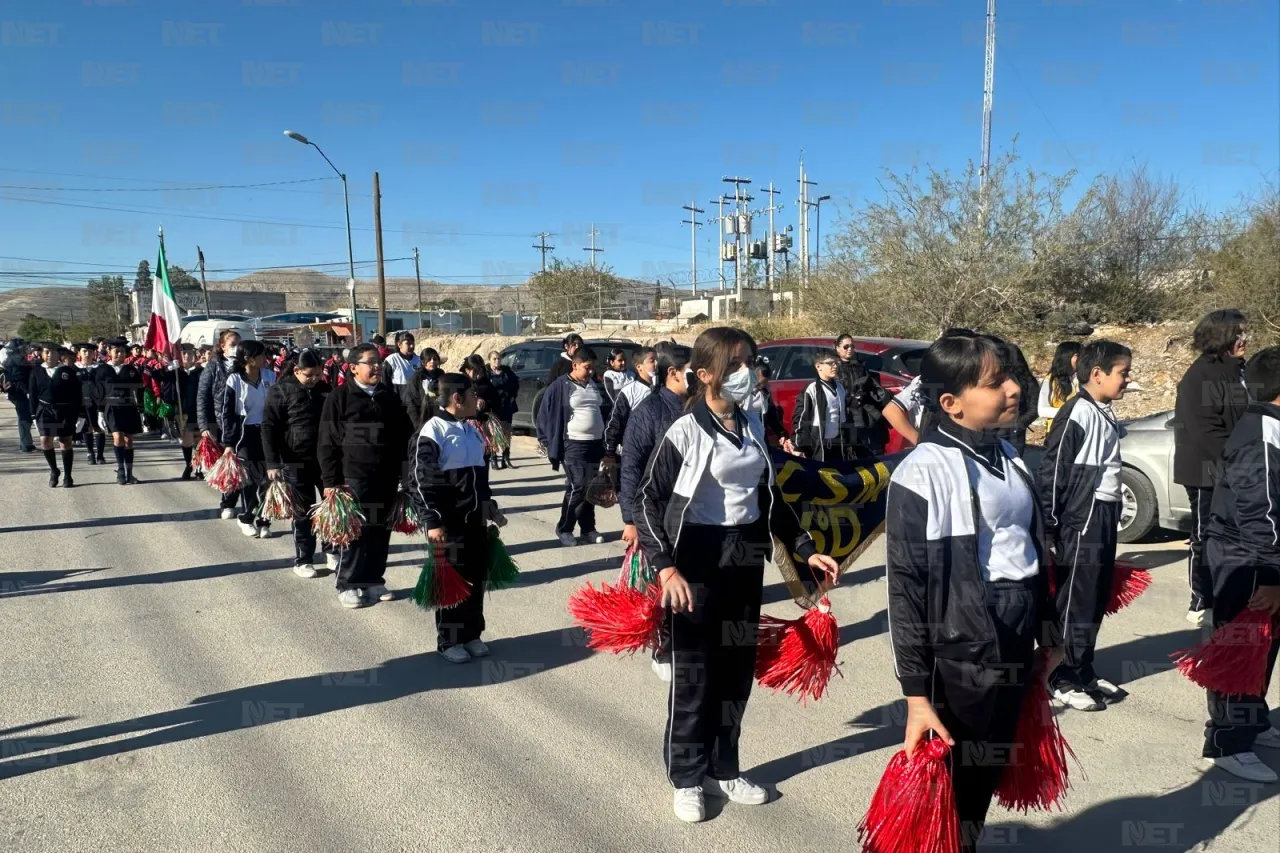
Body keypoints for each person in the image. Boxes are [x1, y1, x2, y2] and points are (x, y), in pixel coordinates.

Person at [636, 326, 838, 823]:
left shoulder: (750, 425)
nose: (751, 372)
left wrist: (805, 549)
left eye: (751, 361)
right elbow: (647, 501)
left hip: (745, 559)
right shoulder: (683, 432)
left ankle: (724, 767)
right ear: (705, 375)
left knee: (735, 673)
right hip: (698, 560)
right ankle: (686, 775)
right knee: (696, 677)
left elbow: (770, 499)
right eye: (738, 363)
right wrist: (666, 569)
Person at [886, 333, 1062, 852]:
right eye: (995, 382)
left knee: (988, 764)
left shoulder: (1008, 453)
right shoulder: (923, 472)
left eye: (1009, 377)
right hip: (963, 645)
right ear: (950, 403)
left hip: (1016, 628)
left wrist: (1048, 632)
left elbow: (1032, 551)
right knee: (959, 773)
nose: (1013, 388)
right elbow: (907, 590)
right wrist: (916, 693)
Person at [1199, 346, 1280, 783]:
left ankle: (1252, 720)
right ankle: (1226, 738)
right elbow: (1258, 510)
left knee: (1262, 648)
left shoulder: (1273, 426)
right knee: (1239, 648)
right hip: (1243, 559)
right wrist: (1270, 576)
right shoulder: (1259, 433)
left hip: (1263, 559)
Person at [1038, 340, 1132, 712]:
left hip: (1105, 514)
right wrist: (1051, 526)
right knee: (1075, 598)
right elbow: (1053, 470)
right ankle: (1060, 675)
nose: (1127, 380)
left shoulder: (1103, 410)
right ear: (1097, 374)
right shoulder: (1076, 413)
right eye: (1122, 373)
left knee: (1094, 597)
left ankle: (1083, 669)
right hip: (1083, 518)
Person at [408, 371, 507, 662]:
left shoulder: (472, 429)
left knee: (476, 578)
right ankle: (449, 640)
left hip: (475, 520)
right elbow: (420, 482)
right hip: (449, 524)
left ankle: (472, 634)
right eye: (473, 394)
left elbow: (480, 477)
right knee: (452, 582)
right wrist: (432, 520)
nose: (478, 399)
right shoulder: (431, 432)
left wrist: (489, 505)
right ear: (456, 397)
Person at [317, 344, 412, 609]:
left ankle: (373, 579)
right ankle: (347, 583)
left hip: (386, 476)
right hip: (353, 477)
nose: (377, 367)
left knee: (381, 531)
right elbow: (327, 442)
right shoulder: (339, 398)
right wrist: (330, 482)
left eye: (379, 362)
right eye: (371, 362)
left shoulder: (389, 397)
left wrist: (405, 474)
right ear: (354, 367)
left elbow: (404, 437)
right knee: (355, 533)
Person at [618, 342, 689, 683]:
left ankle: (686, 640)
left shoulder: (697, 407)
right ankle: (664, 644)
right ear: (673, 373)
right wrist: (630, 519)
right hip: (657, 510)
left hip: (691, 509)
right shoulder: (649, 411)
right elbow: (631, 466)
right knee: (663, 581)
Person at [1174, 309, 1250, 626]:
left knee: (1236, 537)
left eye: (1245, 332)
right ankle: (1201, 600)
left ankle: (1232, 594)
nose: (1245, 338)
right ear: (1221, 337)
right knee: (1206, 536)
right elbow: (1205, 430)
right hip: (1206, 470)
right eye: (1238, 333)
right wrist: (1239, 461)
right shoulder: (1199, 375)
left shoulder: (1241, 372)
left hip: (1238, 468)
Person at [263, 349, 337, 579]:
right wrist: (272, 462)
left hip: (324, 460)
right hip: (294, 460)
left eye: (318, 374)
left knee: (329, 508)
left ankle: (332, 551)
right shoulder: (280, 391)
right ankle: (303, 558)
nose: (315, 379)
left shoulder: (326, 390)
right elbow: (268, 427)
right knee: (303, 512)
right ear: (297, 371)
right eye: (310, 375)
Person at [536, 346, 606, 547]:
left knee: (590, 488)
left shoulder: (593, 384)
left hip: (595, 444)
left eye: (593, 368)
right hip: (572, 444)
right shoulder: (560, 386)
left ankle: (588, 529)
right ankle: (564, 528)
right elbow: (544, 414)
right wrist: (547, 441)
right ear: (575, 365)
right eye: (587, 367)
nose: (591, 371)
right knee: (578, 486)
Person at [218, 340, 277, 540]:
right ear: (248, 358)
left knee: (268, 481)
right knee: (251, 481)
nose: (264, 358)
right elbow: (226, 414)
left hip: (267, 434)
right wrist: (228, 444)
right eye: (260, 355)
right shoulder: (234, 380)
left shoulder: (270, 376)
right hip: (244, 437)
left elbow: (278, 408)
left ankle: (264, 520)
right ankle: (246, 518)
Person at [198, 329, 243, 520]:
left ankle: (249, 504)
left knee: (246, 462)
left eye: (238, 344)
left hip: (244, 420)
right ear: (222, 346)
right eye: (232, 345)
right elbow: (203, 396)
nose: (236, 348)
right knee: (230, 462)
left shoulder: (245, 364)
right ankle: (228, 502)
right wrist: (204, 426)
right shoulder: (214, 366)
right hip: (221, 422)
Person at [29, 344, 82, 488]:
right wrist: (33, 415)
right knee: (45, 441)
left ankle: (68, 476)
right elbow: (32, 394)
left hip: (65, 411)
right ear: (42, 354)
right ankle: (54, 470)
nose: (50, 355)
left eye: (53, 352)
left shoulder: (67, 372)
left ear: (59, 355)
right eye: (47, 352)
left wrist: (80, 415)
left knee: (65, 441)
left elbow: (77, 394)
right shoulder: (37, 371)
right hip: (45, 411)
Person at [93, 338, 145, 485]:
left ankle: (129, 472)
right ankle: (120, 470)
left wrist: (141, 411)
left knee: (129, 440)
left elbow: (139, 390)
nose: (120, 354)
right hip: (112, 407)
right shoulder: (102, 370)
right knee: (118, 437)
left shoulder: (130, 369)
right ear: (110, 352)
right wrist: (100, 412)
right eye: (117, 351)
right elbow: (99, 392)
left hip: (129, 406)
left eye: (123, 351)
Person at [833, 333, 893, 455]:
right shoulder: (833, 368)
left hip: (863, 415)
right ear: (837, 348)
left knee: (866, 449)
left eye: (852, 346)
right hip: (845, 415)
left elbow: (872, 388)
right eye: (846, 346)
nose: (850, 349)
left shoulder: (860, 367)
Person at [790, 349, 849, 461]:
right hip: (818, 443)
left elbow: (844, 416)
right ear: (818, 366)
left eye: (837, 362)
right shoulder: (812, 389)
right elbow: (801, 418)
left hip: (838, 443)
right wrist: (798, 446)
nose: (835, 366)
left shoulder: (840, 388)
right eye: (831, 363)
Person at [603, 346, 656, 467]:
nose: (656, 364)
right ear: (639, 366)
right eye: (652, 360)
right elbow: (615, 422)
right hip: (634, 452)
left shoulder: (663, 389)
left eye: (657, 360)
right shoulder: (629, 391)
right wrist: (609, 452)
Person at [1037, 341, 1082, 433]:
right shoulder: (1051, 381)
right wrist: (1070, 412)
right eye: (1078, 355)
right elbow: (1042, 410)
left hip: (1078, 430)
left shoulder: (1081, 378)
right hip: (1058, 431)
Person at [172, 344, 203, 479]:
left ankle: (199, 467)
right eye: (184, 354)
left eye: (189, 353)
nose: (186, 356)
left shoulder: (200, 371)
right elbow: (159, 377)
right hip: (183, 411)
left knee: (199, 440)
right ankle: (188, 465)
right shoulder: (176, 372)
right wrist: (169, 368)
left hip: (198, 410)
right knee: (186, 441)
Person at [742, 358, 786, 448]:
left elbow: (771, 415)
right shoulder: (741, 393)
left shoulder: (765, 391)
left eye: (766, 382)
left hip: (761, 437)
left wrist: (781, 434)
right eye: (761, 383)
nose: (762, 385)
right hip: (746, 439)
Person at [486, 350, 520, 469]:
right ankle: (493, 458)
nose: (497, 361)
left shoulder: (506, 371)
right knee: (494, 434)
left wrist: (511, 397)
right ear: (489, 360)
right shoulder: (486, 373)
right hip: (492, 407)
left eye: (499, 358)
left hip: (506, 406)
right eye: (494, 358)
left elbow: (515, 384)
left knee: (506, 433)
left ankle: (506, 458)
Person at [75, 343, 106, 465]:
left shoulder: (100, 368)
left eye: (90, 351)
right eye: (84, 351)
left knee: (99, 428)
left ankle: (100, 455)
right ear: (79, 354)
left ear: (94, 353)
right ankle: (90, 453)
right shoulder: (74, 368)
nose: (87, 354)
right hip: (82, 404)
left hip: (98, 403)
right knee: (86, 428)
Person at [2, 339, 35, 453]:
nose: (25, 350)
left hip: (20, 393)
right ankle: (26, 445)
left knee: (25, 418)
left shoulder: (18, 360)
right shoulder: (13, 362)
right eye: (22, 349)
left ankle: (26, 443)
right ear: (15, 350)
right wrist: (27, 392)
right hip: (20, 394)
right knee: (24, 419)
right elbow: (19, 379)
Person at [405, 347, 445, 433]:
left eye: (435, 359)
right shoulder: (417, 378)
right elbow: (412, 403)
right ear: (423, 362)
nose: (432, 361)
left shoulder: (442, 375)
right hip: (422, 418)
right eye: (429, 359)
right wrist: (418, 425)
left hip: (440, 418)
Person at [381, 331, 420, 405]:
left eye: (413, 343)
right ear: (399, 345)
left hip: (415, 403)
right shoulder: (391, 360)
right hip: (398, 403)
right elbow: (385, 383)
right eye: (408, 343)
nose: (412, 346)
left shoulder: (418, 360)